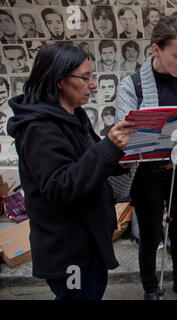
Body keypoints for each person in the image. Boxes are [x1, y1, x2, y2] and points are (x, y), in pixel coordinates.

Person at [6, 43, 136, 300]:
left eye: (92, 77)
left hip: (89, 242)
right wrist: (109, 148)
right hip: (68, 250)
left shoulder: (74, 115)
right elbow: (61, 185)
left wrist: (120, 160)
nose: (94, 85)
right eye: (86, 78)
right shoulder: (39, 129)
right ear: (59, 81)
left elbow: (87, 162)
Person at [115, 15, 177, 301]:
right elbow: (124, 134)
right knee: (151, 236)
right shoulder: (132, 86)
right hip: (146, 175)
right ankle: (150, 289)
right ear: (156, 49)